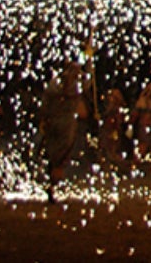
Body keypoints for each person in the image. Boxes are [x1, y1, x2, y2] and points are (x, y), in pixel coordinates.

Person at [38, 62, 89, 203]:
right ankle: (52, 182)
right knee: (59, 154)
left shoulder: (57, 84)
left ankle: (51, 184)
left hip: (60, 122)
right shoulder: (65, 86)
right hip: (62, 123)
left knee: (57, 155)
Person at [98, 88, 132, 170]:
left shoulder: (118, 109)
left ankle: (116, 164)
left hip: (114, 129)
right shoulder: (108, 107)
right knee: (107, 146)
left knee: (113, 147)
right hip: (108, 129)